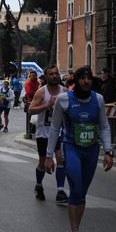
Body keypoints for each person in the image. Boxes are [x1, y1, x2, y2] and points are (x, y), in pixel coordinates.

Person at [45, 66, 113, 232]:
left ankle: (75, 231)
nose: (86, 81)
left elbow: (104, 127)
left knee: (82, 192)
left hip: (91, 150)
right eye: (82, 78)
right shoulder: (64, 99)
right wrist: (49, 156)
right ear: (76, 81)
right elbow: (54, 128)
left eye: (88, 78)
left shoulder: (98, 99)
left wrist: (108, 151)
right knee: (75, 187)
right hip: (71, 147)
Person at [27, 65, 68, 203]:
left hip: (59, 133)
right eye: (51, 74)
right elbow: (31, 110)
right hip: (43, 133)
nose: (55, 76)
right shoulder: (41, 92)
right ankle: (38, 185)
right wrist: (47, 105)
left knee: (61, 160)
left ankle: (60, 191)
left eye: (56, 73)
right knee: (43, 162)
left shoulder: (65, 92)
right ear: (46, 77)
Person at [24, 71, 40, 139]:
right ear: (30, 76)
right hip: (30, 102)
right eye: (32, 75)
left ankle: (33, 131)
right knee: (29, 119)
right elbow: (29, 93)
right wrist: (38, 93)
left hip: (38, 102)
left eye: (34, 75)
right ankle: (29, 133)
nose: (33, 76)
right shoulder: (28, 83)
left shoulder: (38, 83)